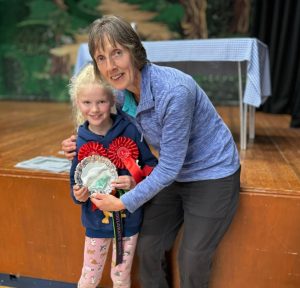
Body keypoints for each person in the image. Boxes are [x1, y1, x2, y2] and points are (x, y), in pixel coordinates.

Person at [62, 15, 241, 288]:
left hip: (212, 175)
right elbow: (100, 124)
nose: (111, 66)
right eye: (101, 58)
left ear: (134, 49)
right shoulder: (120, 96)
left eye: (117, 53)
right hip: (173, 174)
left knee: (192, 258)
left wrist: (122, 202)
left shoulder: (174, 91)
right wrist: (79, 141)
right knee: (147, 249)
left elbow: (168, 167)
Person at [68, 63, 158, 288]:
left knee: (121, 277)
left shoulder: (130, 130)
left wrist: (135, 180)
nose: (95, 109)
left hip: (128, 220)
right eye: (87, 102)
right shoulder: (79, 140)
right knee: (89, 276)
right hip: (95, 222)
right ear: (78, 104)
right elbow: (74, 183)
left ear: (113, 101)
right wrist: (78, 195)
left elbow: (152, 165)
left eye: (101, 101)